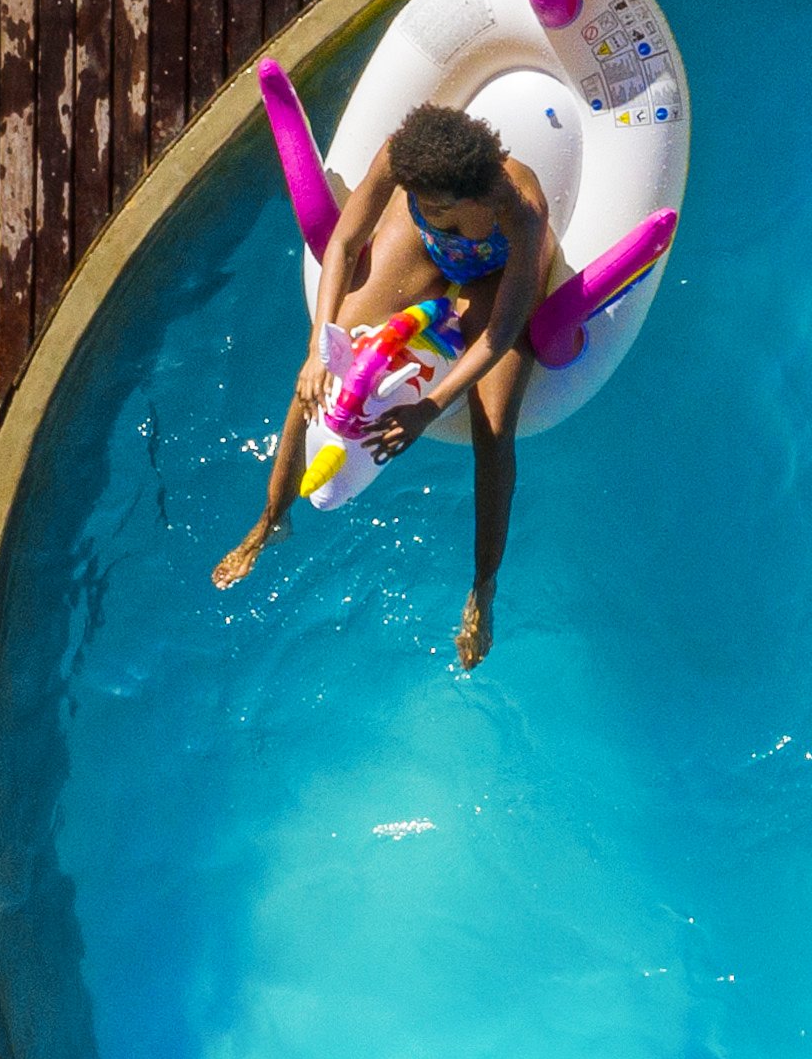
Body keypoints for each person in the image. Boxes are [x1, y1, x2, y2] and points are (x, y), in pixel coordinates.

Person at [211, 104, 568, 668]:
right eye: (416, 198)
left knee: (494, 430)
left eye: (434, 204)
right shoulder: (405, 162)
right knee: (321, 378)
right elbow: (344, 245)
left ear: (472, 197)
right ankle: (270, 518)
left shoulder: (520, 210)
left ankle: (483, 585)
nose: (419, 203)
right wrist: (318, 349)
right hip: (426, 250)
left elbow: (499, 335)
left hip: (496, 266)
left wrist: (430, 407)